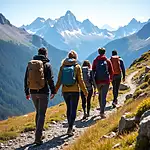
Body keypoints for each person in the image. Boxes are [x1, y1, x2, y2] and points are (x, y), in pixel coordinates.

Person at [24, 47, 56, 145]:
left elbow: (26, 78)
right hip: (43, 92)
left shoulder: (31, 65)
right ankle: (38, 138)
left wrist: (27, 92)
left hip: (33, 92)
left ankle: (38, 133)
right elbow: (50, 79)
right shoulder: (47, 64)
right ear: (46, 54)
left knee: (38, 112)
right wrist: (53, 91)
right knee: (42, 113)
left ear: (38, 53)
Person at [55, 50, 88, 136]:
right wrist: (85, 91)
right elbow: (80, 81)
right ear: (75, 57)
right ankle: (70, 128)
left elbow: (59, 81)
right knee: (73, 109)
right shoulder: (77, 66)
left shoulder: (62, 67)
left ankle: (70, 126)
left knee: (68, 108)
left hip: (65, 91)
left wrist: (55, 91)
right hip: (75, 91)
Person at [92, 48, 114, 118]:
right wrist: (110, 79)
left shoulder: (95, 61)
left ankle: (101, 108)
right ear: (104, 52)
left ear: (98, 52)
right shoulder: (107, 61)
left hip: (98, 81)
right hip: (106, 81)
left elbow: (93, 71)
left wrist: (94, 81)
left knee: (100, 95)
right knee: (104, 96)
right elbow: (111, 71)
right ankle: (102, 112)